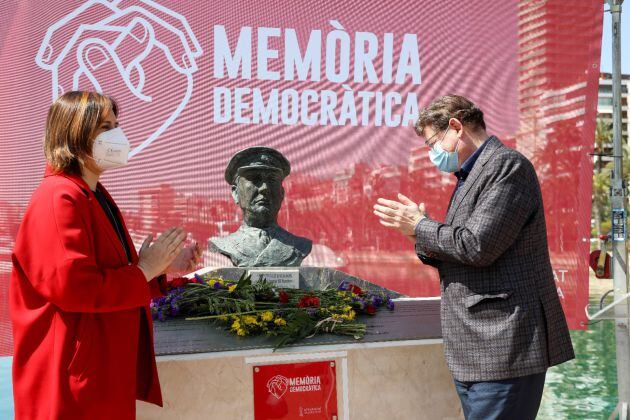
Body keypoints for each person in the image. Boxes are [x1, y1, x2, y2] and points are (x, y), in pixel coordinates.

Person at [373, 94, 574, 420]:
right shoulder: (471, 175)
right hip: (475, 348)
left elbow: (477, 245)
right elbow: (463, 250)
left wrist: (421, 225)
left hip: (505, 346)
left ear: (456, 126)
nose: (431, 154)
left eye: (432, 143)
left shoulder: (507, 167)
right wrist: (418, 235)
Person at [10, 91, 202, 420]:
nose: (116, 135)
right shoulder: (59, 198)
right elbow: (75, 288)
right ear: (74, 134)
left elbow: (109, 274)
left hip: (98, 376)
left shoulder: (91, 195)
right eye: (104, 127)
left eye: (115, 124)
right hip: (71, 385)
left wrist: (160, 268)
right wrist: (142, 270)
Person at [208, 146, 312, 267]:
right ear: (236, 193)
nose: (264, 188)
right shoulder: (223, 245)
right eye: (255, 179)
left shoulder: (300, 246)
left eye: (272, 180)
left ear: (282, 193)